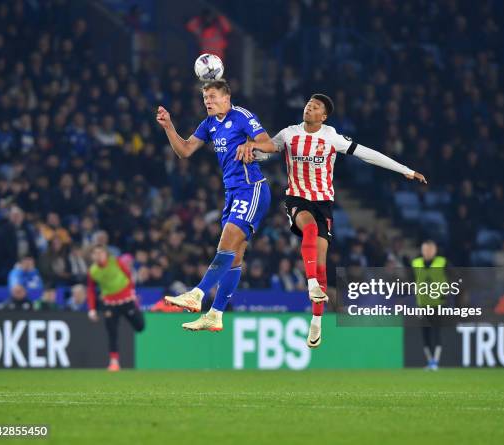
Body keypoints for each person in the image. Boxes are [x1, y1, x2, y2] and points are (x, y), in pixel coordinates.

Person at [237, 93, 426, 348]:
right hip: (297, 198)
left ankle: (316, 323)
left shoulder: (331, 137)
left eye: (315, 107)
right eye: (308, 104)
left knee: (322, 263)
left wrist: (406, 170)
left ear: (323, 116)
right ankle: (312, 284)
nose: (309, 108)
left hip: (323, 203)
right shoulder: (289, 133)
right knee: (310, 230)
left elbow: (368, 154)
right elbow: (267, 151)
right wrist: (253, 152)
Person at [157, 79, 275, 331]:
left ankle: (197, 293)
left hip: (252, 188)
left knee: (227, 240)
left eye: (212, 97)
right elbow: (185, 151)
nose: (207, 102)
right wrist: (169, 127)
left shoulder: (241, 116)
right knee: (234, 257)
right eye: (205, 99)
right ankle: (216, 314)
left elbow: (271, 144)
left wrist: (251, 144)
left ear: (226, 97)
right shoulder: (209, 124)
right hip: (232, 193)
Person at [87, 245, 145, 371]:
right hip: (109, 303)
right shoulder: (93, 271)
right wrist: (92, 309)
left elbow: (128, 275)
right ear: (92, 256)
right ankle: (114, 362)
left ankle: (136, 311)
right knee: (112, 332)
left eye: (101, 253)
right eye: (95, 254)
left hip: (126, 299)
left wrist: (132, 292)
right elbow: (90, 290)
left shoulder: (115, 261)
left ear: (105, 254)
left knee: (140, 326)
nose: (98, 256)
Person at [411, 240, 448, 371]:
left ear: (435, 250)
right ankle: (430, 361)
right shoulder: (416, 263)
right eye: (425, 249)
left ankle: (435, 361)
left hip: (438, 304)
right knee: (425, 333)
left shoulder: (443, 262)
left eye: (430, 249)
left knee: (436, 332)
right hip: (422, 305)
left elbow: (454, 277)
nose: (427, 252)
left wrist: (446, 292)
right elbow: (410, 281)